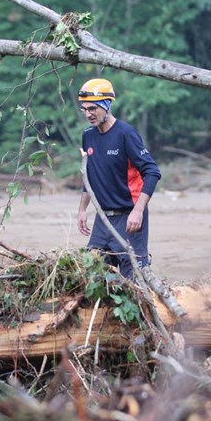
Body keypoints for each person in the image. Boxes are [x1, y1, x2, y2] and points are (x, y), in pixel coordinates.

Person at [76, 78, 161, 280]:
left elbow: (152, 172)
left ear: (107, 106)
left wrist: (138, 211)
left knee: (134, 280)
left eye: (93, 108)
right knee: (91, 277)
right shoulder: (88, 136)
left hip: (129, 219)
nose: (88, 114)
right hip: (102, 219)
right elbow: (89, 176)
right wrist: (81, 210)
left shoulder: (126, 134)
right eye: (84, 109)